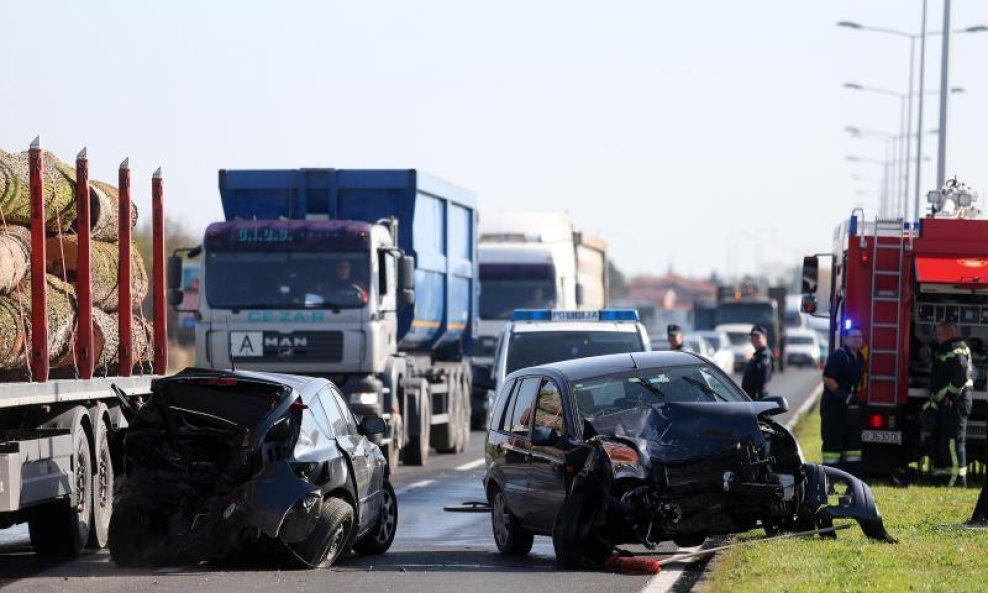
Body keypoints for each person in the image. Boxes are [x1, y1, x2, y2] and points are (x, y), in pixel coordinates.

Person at [926, 322, 973, 487]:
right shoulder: (950, 348)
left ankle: (957, 481)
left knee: (953, 441)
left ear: (946, 334)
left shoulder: (956, 349)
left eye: (939, 334)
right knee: (944, 441)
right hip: (950, 402)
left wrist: (951, 396)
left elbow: (961, 374)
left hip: (956, 402)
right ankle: (942, 478)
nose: (937, 338)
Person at [820, 325, 865, 475]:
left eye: (859, 337)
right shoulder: (838, 356)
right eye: (853, 337)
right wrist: (844, 396)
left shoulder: (859, 357)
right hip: (833, 408)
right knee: (833, 444)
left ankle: (852, 476)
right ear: (845, 339)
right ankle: (830, 477)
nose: (857, 340)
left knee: (852, 444)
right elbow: (827, 379)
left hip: (848, 408)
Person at [741, 324, 773, 399]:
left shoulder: (765, 356)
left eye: (757, 337)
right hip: (750, 399)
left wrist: (758, 402)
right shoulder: (757, 355)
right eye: (752, 336)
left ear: (765, 338)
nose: (754, 339)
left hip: (756, 400)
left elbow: (762, 384)